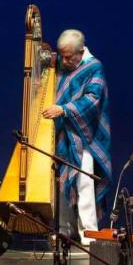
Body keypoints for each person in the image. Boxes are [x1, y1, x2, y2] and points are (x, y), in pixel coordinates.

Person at [42, 29, 112, 245]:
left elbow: (92, 99)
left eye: (69, 57)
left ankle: (89, 234)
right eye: (62, 56)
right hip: (65, 134)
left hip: (85, 136)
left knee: (84, 183)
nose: (64, 61)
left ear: (81, 51)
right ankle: (64, 230)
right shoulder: (63, 66)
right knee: (61, 183)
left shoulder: (94, 67)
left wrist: (63, 110)